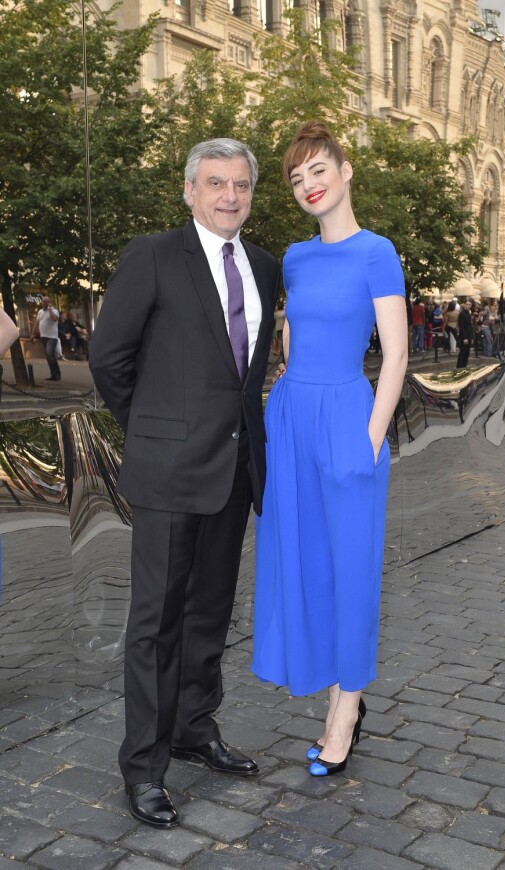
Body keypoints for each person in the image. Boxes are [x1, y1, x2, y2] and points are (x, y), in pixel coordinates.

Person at [89, 138, 278, 829]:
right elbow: (109, 357)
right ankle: (143, 765)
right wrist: (152, 427)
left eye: (241, 185)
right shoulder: (153, 255)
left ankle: (196, 730)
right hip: (168, 471)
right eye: (216, 183)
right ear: (190, 191)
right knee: (156, 624)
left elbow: (247, 374)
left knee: (208, 615)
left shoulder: (263, 265)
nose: (230, 196)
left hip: (234, 472)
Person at [252, 122, 408, 777]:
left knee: (352, 569)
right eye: (296, 178)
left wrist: (369, 442)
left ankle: (346, 707)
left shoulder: (377, 252)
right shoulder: (294, 256)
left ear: (346, 173)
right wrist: (284, 384)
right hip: (290, 421)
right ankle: (333, 689)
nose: (308, 185)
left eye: (318, 170)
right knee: (305, 561)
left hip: (349, 417)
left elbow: (396, 353)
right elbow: (292, 331)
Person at [31, 295, 61, 381]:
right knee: (48, 356)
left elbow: (55, 319)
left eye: (45, 302)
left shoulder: (54, 311)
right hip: (43, 336)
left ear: (49, 303)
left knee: (50, 354)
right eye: (42, 302)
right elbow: (36, 323)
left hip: (52, 337)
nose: (43, 303)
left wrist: (50, 310)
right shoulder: (40, 312)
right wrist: (33, 334)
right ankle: (53, 374)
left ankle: (57, 374)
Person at [457, 299, 473, 368]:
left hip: (469, 336)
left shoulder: (468, 313)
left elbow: (470, 326)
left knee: (467, 353)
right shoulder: (462, 314)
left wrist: (471, 337)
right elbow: (462, 327)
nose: (468, 306)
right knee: (463, 352)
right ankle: (460, 366)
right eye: (467, 304)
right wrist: (464, 338)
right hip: (464, 337)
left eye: (469, 305)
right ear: (464, 305)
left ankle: (464, 366)